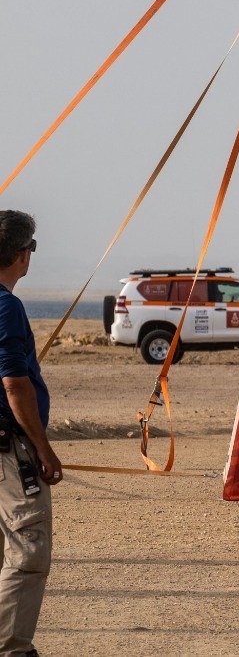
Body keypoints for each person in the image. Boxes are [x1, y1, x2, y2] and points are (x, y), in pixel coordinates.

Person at [0, 210, 59, 655]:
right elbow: (15, 383)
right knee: (27, 550)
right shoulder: (7, 306)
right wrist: (43, 447)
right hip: (8, 449)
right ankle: (11, 648)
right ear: (23, 254)